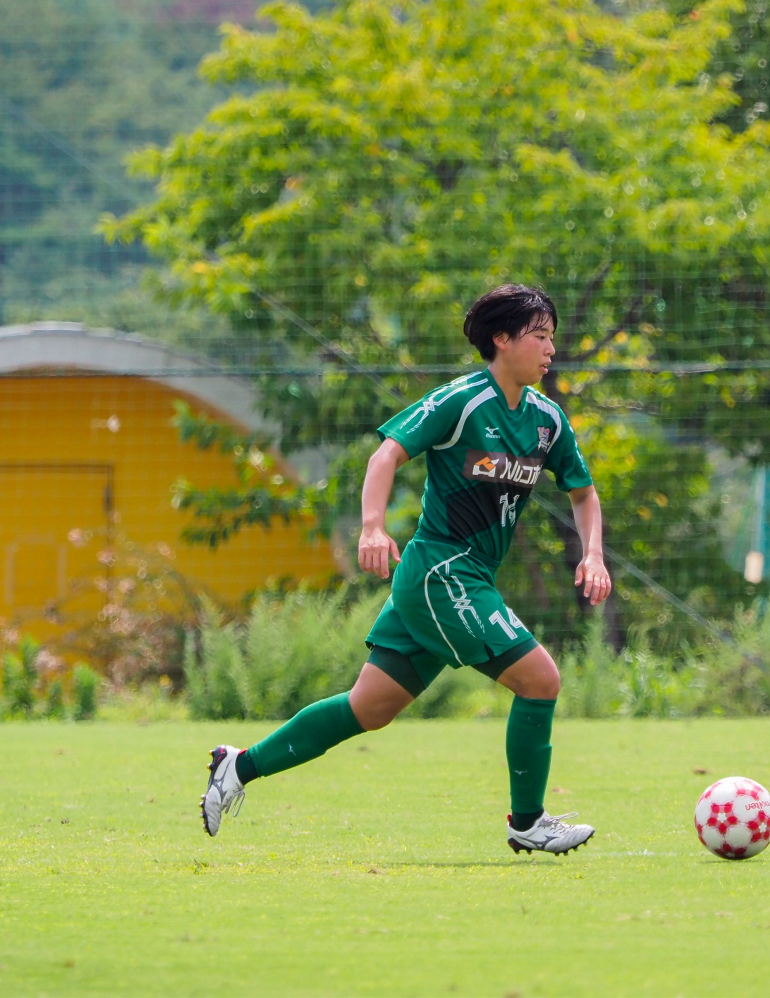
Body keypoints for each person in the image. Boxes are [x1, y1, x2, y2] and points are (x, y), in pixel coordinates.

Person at [199, 284, 612, 855]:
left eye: (552, 338)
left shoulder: (547, 420)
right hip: (441, 571)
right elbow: (386, 453)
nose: (550, 350)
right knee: (541, 680)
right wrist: (372, 526)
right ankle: (529, 820)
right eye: (539, 336)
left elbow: (584, 494)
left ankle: (238, 767)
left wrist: (592, 553)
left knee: (368, 709)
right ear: (502, 339)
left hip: (463, 578)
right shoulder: (461, 401)